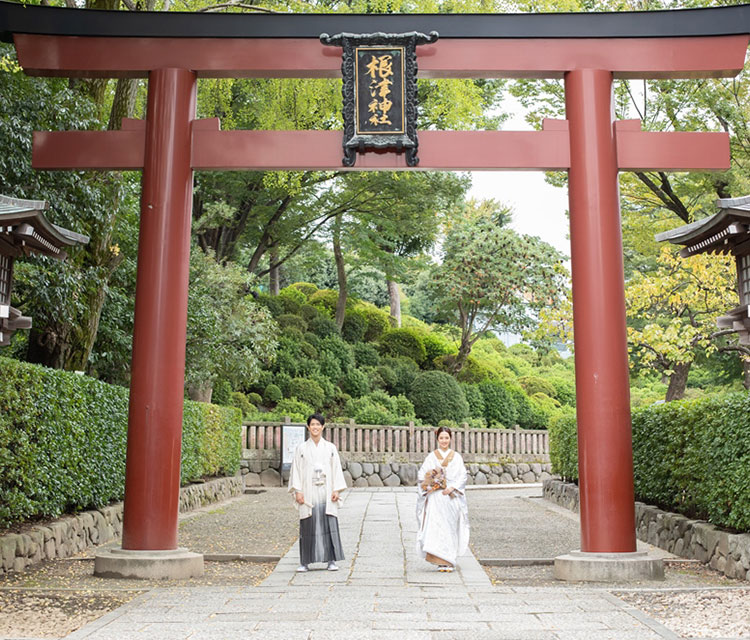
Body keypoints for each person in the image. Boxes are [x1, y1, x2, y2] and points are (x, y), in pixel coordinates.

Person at [288, 413, 347, 573]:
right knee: (308, 523)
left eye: (318, 424)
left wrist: (336, 489)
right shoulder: (301, 449)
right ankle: (304, 561)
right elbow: (297, 472)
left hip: (326, 490)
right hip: (308, 490)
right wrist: (298, 491)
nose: (315, 427)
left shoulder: (330, 448)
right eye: (312, 424)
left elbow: (336, 469)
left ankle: (331, 560)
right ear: (308, 427)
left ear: (323, 427)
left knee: (329, 522)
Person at [416, 426, 470, 573]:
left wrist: (452, 488)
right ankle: (439, 559)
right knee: (436, 526)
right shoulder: (431, 457)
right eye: (441, 438)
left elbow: (462, 476)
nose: (444, 441)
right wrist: (432, 484)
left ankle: (450, 559)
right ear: (437, 439)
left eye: (446, 438)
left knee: (450, 526)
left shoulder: (456, 457)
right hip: (436, 497)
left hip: (450, 497)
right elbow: (422, 475)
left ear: (450, 439)